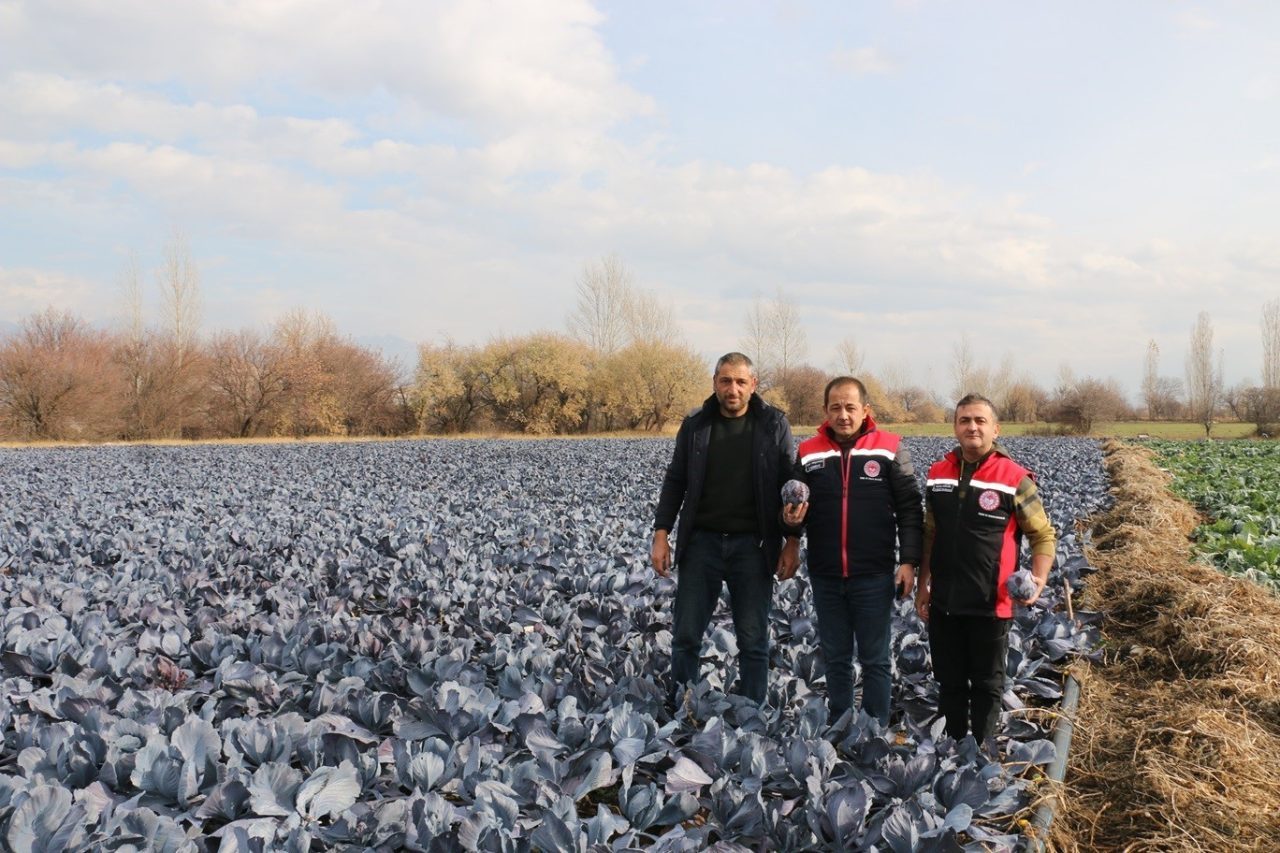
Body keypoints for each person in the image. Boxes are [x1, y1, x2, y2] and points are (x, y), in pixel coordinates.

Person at [652, 352, 800, 705]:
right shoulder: (696, 425)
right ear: (715, 383)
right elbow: (676, 480)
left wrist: (792, 540)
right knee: (686, 634)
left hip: (754, 545)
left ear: (753, 385)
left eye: (740, 381)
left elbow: (789, 485)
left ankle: (752, 712)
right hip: (701, 542)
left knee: (753, 638)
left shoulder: (773, 425)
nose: (732, 389)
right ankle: (682, 705)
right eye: (725, 381)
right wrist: (661, 533)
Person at [780, 377, 922, 726]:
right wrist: (790, 525)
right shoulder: (809, 452)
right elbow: (795, 504)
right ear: (825, 411)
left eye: (850, 407)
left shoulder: (889, 449)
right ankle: (840, 723)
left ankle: (875, 727)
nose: (843, 415)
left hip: (873, 573)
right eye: (835, 408)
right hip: (826, 572)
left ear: (865, 410)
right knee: (836, 656)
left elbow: (909, 509)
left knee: (875, 658)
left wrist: (908, 562)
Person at [915, 393, 1057, 742]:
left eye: (980, 421)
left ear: (996, 429)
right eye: (964, 420)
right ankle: (952, 749)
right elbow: (930, 535)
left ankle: (980, 753)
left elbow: (1042, 535)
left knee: (986, 683)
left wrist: (1037, 581)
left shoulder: (1014, 478)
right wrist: (923, 587)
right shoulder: (937, 474)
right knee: (948, 681)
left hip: (990, 603)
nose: (972, 427)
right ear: (955, 427)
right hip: (945, 600)